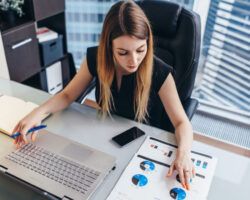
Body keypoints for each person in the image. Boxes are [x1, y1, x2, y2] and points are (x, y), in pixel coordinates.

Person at [12, 0, 195, 191]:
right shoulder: (96, 58)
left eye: (141, 50)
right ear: (109, 46)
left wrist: (183, 153)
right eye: (123, 52)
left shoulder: (159, 71)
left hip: (141, 145)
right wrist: (38, 112)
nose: (134, 61)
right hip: (105, 138)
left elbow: (182, 123)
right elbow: (67, 95)